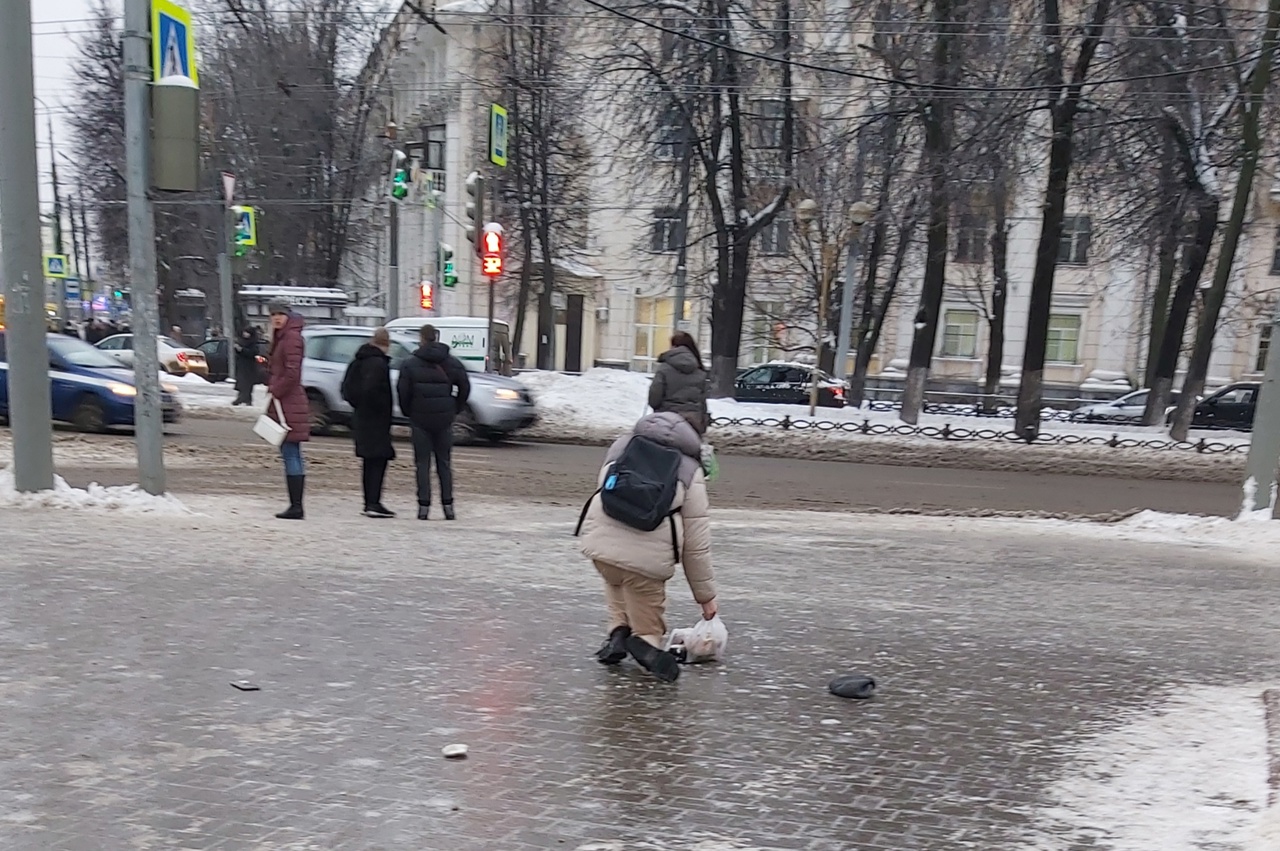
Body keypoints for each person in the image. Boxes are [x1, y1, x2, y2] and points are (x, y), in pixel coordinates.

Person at [578, 412, 718, 683]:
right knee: (645, 604)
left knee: (616, 576)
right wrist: (706, 597)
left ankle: (618, 631)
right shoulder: (690, 469)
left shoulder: (622, 446)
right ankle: (647, 643)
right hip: (647, 561)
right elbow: (696, 544)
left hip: (600, 546)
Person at [397, 324, 470, 520]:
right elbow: (464, 387)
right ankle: (448, 506)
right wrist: (454, 407)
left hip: (420, 418)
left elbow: (403, 392)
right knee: (444, 463)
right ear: (436, 338)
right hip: (444, 418)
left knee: (422, 464)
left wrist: (409, 411)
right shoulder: (452, 363)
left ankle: (423, 507)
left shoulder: (410, 364)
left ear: (421, 338)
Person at [342, 327, 397, 518]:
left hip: (362, 418)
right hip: (376, 419)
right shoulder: (378, 364)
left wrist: (358, 405)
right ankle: (374, 502)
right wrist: (379, 407)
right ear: (386, 345)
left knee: (369, 461)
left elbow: (346, 389)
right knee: (378, 461)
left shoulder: (358, 361)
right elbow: (371, 390)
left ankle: (369, 501)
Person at [265, 301, 311, 520]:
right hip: (286, 401)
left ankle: (296, 506)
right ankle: (295, 504)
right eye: (273, 314)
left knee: (291, 452)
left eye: (280, 314)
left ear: (288, 315)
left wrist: (275, 389)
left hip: (288, 402)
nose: (276, 318)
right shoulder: (284, 336)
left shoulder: (291, 338)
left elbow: (293, 373)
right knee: (291, 452)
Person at [648, 331, 709, 435]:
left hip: (666, 418)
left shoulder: (664, 369)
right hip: (693, 420)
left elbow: (655, 396)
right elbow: (702, 400)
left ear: (674, 346)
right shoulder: (699, 370)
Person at [233, 326, 260, 405]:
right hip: (242, 365)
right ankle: (246, 399)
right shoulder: (242, 341)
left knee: (246, 384)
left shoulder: (253, 343)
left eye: (247, 332)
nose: (245, 334)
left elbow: (253, 352)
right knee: (242, 382)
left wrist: (242, 350)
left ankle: (242, 398)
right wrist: (237, 349)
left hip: (249, 366)